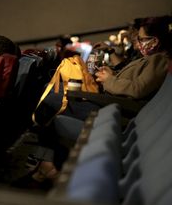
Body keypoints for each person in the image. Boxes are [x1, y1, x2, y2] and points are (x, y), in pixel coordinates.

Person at [28, 15, 172, 186]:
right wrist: (110, 75)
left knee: (53, 102)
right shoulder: (150, 59)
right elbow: (131, 81)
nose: (138, 42)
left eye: (141, 38)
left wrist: (109, 80)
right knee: (54, 100)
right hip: (110, 104)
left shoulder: (159, 60)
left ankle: (44, 162)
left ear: (154, 40)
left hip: (118, 110)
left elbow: (137, 89)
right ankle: (45, 163)